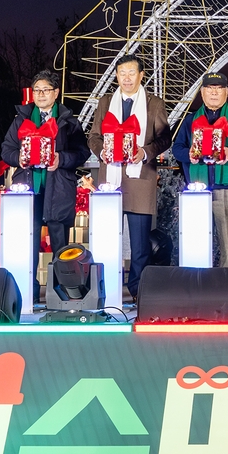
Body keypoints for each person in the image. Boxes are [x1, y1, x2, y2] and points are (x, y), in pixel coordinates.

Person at [0, 70, 91, 299]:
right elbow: (6, 149)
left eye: (46, 90)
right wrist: (17, 158)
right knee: (27, 239)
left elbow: (82, 152)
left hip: (58, 187)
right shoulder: (22, 118)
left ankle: (59, 293)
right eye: (37, 90)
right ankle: (26, 293)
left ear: (56, 93)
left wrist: (62, 159)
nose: (41, 94)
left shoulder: (68, 120)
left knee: (60, 242)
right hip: (29, 187)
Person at [87, 54, 171, 300]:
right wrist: (101, 150)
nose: (126, 77)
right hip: (110, 178)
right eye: (122, 73)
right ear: (116, 75)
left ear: (141, 75)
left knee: (140, 243)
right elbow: (93, 135)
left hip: (140, 177)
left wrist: (145, 152)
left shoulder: (153, 103)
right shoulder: (105, 102)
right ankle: (107, 288)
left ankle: (138, 290)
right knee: (107, 238)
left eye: (131, 72)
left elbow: (165, 137)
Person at [170, 71, 228, 268]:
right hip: (198, 190)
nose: (214, 93)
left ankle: (227, 286)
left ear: (227, 92)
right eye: (209, 88)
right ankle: (198, 284)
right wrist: (188, 154)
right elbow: (177, 148)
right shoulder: (190, 120)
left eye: (219, 88)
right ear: (202, 92)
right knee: (197, 240)